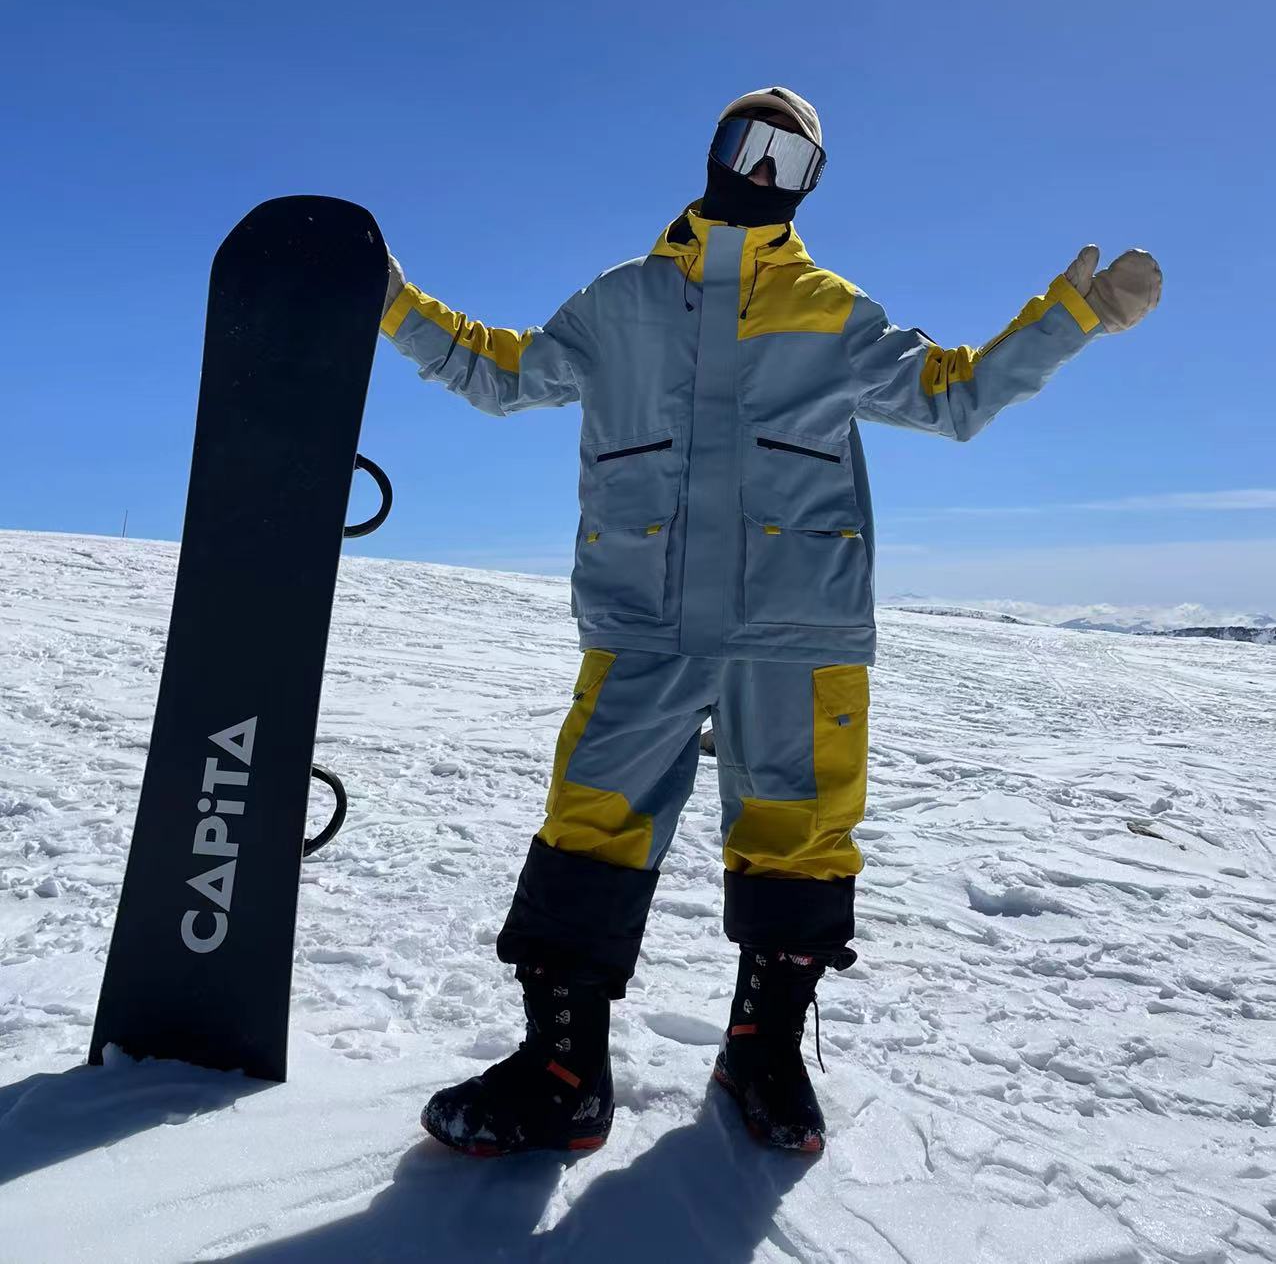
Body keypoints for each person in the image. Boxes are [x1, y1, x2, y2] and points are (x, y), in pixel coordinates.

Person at [380, 87, 1161, 1157]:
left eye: (789, 161)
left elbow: (953, 396)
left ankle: (763, 1051)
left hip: (799, 629)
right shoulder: (620, 302)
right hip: (646, 620)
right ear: (711, 148)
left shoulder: (832, 311)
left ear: (809, 188)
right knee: (589, 829)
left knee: (799, 840)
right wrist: (392, 303)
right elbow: (499, 371)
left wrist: (1076, 314)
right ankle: (562, 1072)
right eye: (747, 143)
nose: (761, 170)